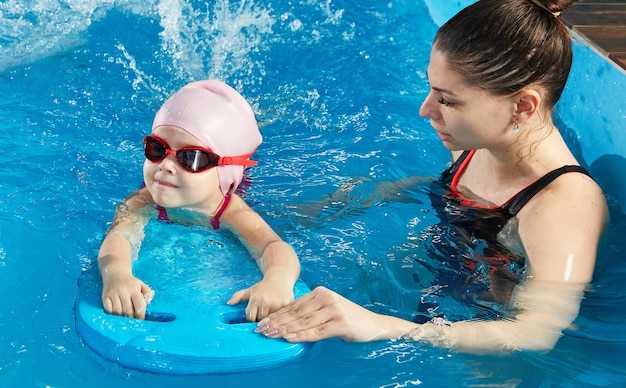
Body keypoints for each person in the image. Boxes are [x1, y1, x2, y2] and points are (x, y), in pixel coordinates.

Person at [255, 0, 609, 354]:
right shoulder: (477, 140)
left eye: (448, 101)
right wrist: (327, 207)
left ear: (522, 106)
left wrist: (383, 326)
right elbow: (443, 188)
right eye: (432, 89)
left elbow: (535, 334)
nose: (425, 110)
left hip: (487, 328)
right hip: (447, 277)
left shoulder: (563, 207)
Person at [97, 80, 300, 322]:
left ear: (225, 171)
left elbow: (271, 246)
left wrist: (277, 281)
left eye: (191, 158)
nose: (165, 166)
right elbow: (119, 235)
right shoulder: (144, 200)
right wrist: (116, 274)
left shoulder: (231, 211)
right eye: (157, 148)